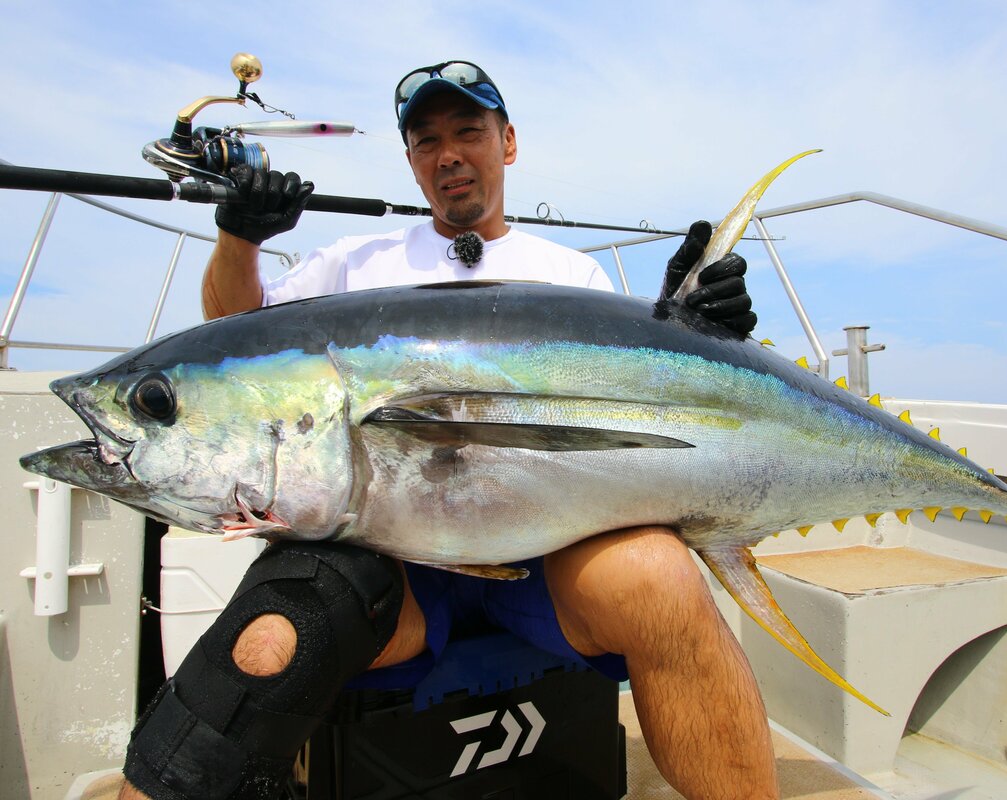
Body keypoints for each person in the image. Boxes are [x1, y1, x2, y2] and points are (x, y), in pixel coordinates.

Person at [118, 61, 777, 800]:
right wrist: (239, 238)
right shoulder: (349, 266)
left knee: (661, 577)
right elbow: (231, 344)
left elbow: (629, 413)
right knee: (272, 635)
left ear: (509, 143)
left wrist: (704, 336)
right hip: (388, 567)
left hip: (546, 557)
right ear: (412, 162)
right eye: (426, 140)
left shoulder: (571, 278)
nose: (449, 154)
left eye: (469, 132)